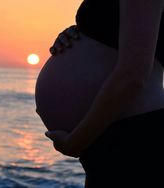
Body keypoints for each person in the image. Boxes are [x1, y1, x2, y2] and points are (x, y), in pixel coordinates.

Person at [36, 0, 164, 187]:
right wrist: (81, 33)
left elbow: (133, 74)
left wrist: (75, 142)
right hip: (117, 137)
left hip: (133, 140)